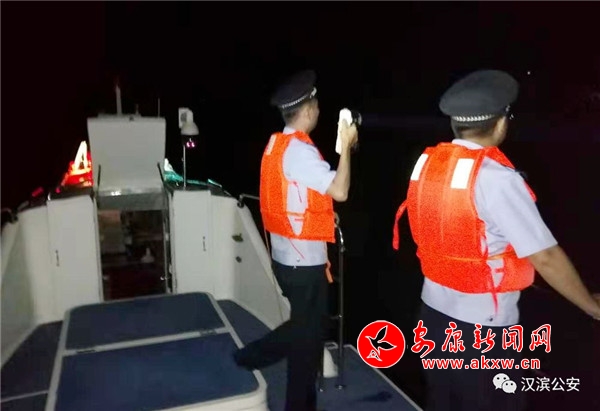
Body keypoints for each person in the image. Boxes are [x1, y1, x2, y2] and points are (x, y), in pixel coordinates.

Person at [392, 69, 600, 411]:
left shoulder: (427, 165)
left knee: (443, 401)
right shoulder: (498, 179)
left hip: (431, 317)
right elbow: (545, 257)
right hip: (481, 331)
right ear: (501, 123)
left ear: (456, 124)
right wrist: (591, 306)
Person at [233, 69, 359, 411]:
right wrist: (346, 147)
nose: (319, 111)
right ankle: (291, 399)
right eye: (316, 106)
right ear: (307, 110)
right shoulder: (301, 151)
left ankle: (252, 356)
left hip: (286, 257)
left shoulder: (278, 144)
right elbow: (340, 190)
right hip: (304, 264)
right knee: (307, 345)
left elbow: (294, 196)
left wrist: (324, 215)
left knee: (308, 328)